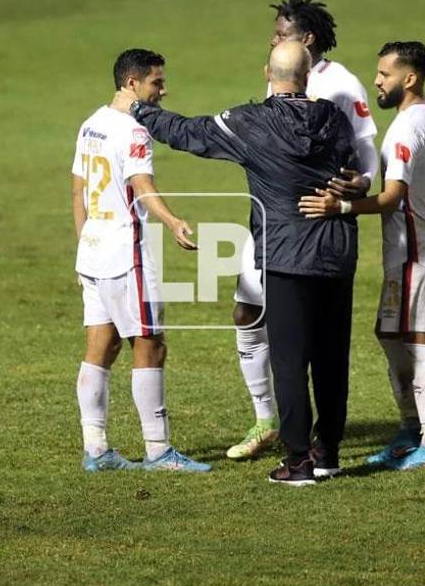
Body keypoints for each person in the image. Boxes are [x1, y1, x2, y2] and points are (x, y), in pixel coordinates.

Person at [130, 40, 358, 485]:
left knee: (290, 362)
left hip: (286, 256)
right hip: (335, 250)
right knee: (332, 358)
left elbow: (188, 133)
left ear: (267, 74)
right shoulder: (334, 118)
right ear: (308, 76)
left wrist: (141, 110)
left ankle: (298, 462)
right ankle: (327, 452)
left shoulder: (252, 121)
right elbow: (352, 173)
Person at [224, 0, 378, 462]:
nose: (273, 40)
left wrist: (361, 183)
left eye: (281, 34)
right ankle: (267, 419)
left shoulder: (342, 84)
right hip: (272, 219)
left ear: (307, 38)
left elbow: (365, 145)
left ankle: (312, 441)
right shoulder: (285, 73)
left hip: (312, 227)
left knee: (306, 340)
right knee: (246, 311)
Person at [300, 41, 425, 470]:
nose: (377, 81)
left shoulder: (405, 129)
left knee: (418, 338)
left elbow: (392, 198)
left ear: (410, 78)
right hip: (409, 244)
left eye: (385, 74)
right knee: (390, 334)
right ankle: (410, 431)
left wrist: (341, 206)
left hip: (417, 246)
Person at [71, 49, 211, 473]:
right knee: (150, 345)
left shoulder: (91, 123)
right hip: (125, 255)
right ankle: (158, 451)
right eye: (157, 82)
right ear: (132, 83)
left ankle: (96, 450)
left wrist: (84, 244)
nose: (163, 91)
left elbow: (77, 190)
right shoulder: (135, 130)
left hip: (93, 252)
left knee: (101, 347)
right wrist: (172, 221)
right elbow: (142, 185)